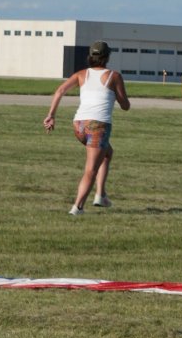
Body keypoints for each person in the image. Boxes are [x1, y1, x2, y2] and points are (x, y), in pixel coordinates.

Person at [44, 41, 130, 216]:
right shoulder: (114, 76)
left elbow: (60, 91)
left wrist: (51, 115)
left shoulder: (82, 74)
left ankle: (101, 195)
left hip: (79, 126)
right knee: (91, 170)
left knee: (107, 153)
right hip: (98, 126)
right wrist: (119, 98)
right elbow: (125, 105)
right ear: (107, 57)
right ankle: (77, 207)